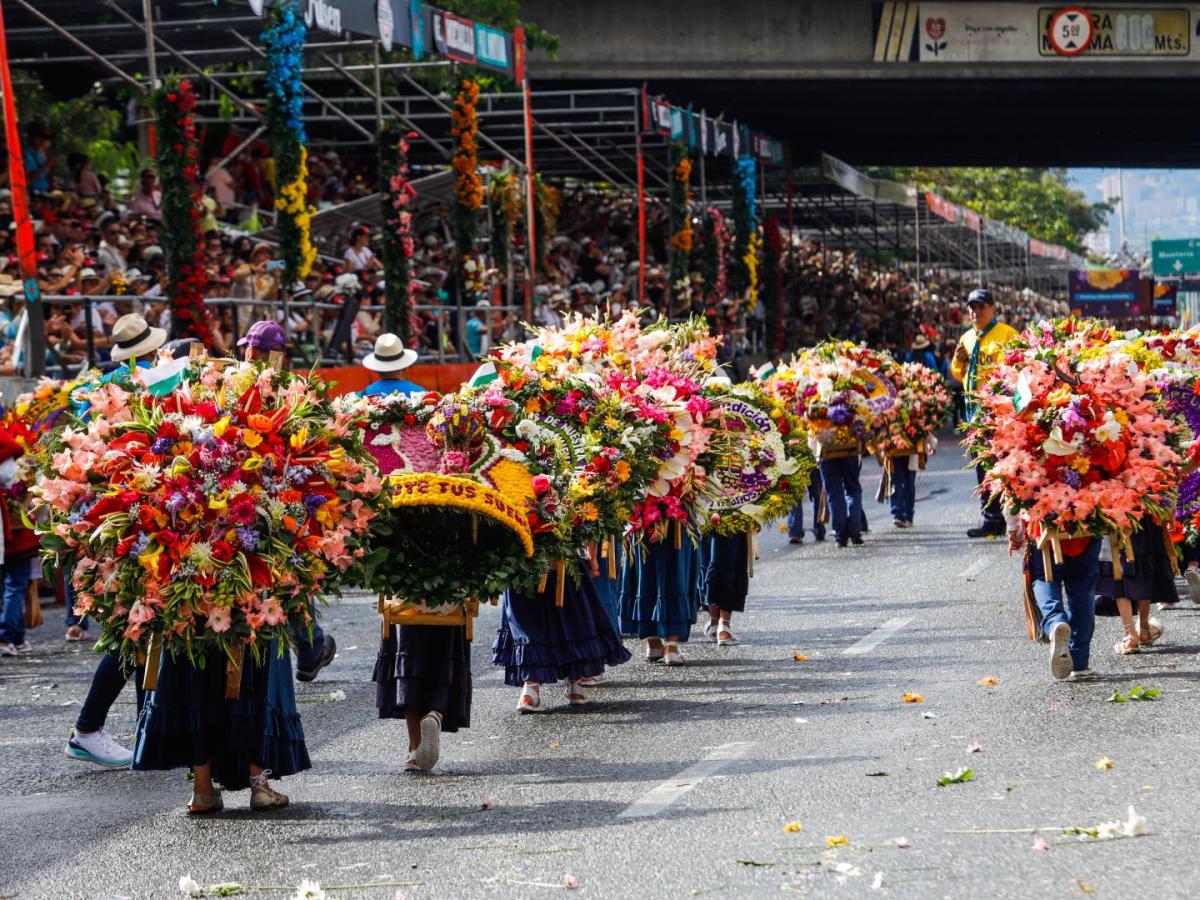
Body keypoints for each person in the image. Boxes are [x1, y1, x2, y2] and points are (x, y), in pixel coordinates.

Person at [62, 313, 168, 767]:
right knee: (135, 624)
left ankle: (148, 727)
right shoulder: (141, 388)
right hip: (123, 516)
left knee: (143, 623)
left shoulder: (93, 391)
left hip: (104, 519)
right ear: (147, 351)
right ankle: (89, 728)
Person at [236, 320, 338, 682]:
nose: (249, 356)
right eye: (248, 350)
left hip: (282, 494)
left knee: (286, 570)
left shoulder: (293, 392)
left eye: (257, 351)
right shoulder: (240, 386)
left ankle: (307, 648)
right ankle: (306, 648)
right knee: (281, 570)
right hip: (250, 495)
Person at [493, 564, 631, 713]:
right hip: (558, 558)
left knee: (528, 618)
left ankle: (530, 690)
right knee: (569, 613)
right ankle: (574, 685)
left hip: (523, 558)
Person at [950, 288, 1019, 538]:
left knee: (1004, 463)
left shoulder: (1007, 334)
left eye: (980, 307)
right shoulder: (967, 338)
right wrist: (959, 360)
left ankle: (1013, 515)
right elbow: (958, 374)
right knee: (982, 467)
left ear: (993, 309)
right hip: (975, 413)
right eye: (972, 307)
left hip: (1000, 412)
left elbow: (1017, 367)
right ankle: (991, 518)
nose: (975, 312)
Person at [1007, 512, 1102, 682]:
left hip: (1044, 527)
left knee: (1044, 579)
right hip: (1085, 524)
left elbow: (1013, 490)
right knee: (1082, 590)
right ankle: (1079, 663)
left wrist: (1012, 528)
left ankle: (1055, 621)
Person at [1096, 517, 1174, 656]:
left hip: (1115, 512)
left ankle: (1130, 636)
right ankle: (1144, 630)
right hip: (1144, 513)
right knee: (1143, 568)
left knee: (1119, 570)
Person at [786, 469, 826, 544]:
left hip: (795, 462)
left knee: (795, 495)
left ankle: (795, 532)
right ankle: (820, 530)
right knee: (817, 495)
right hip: (813, 461)